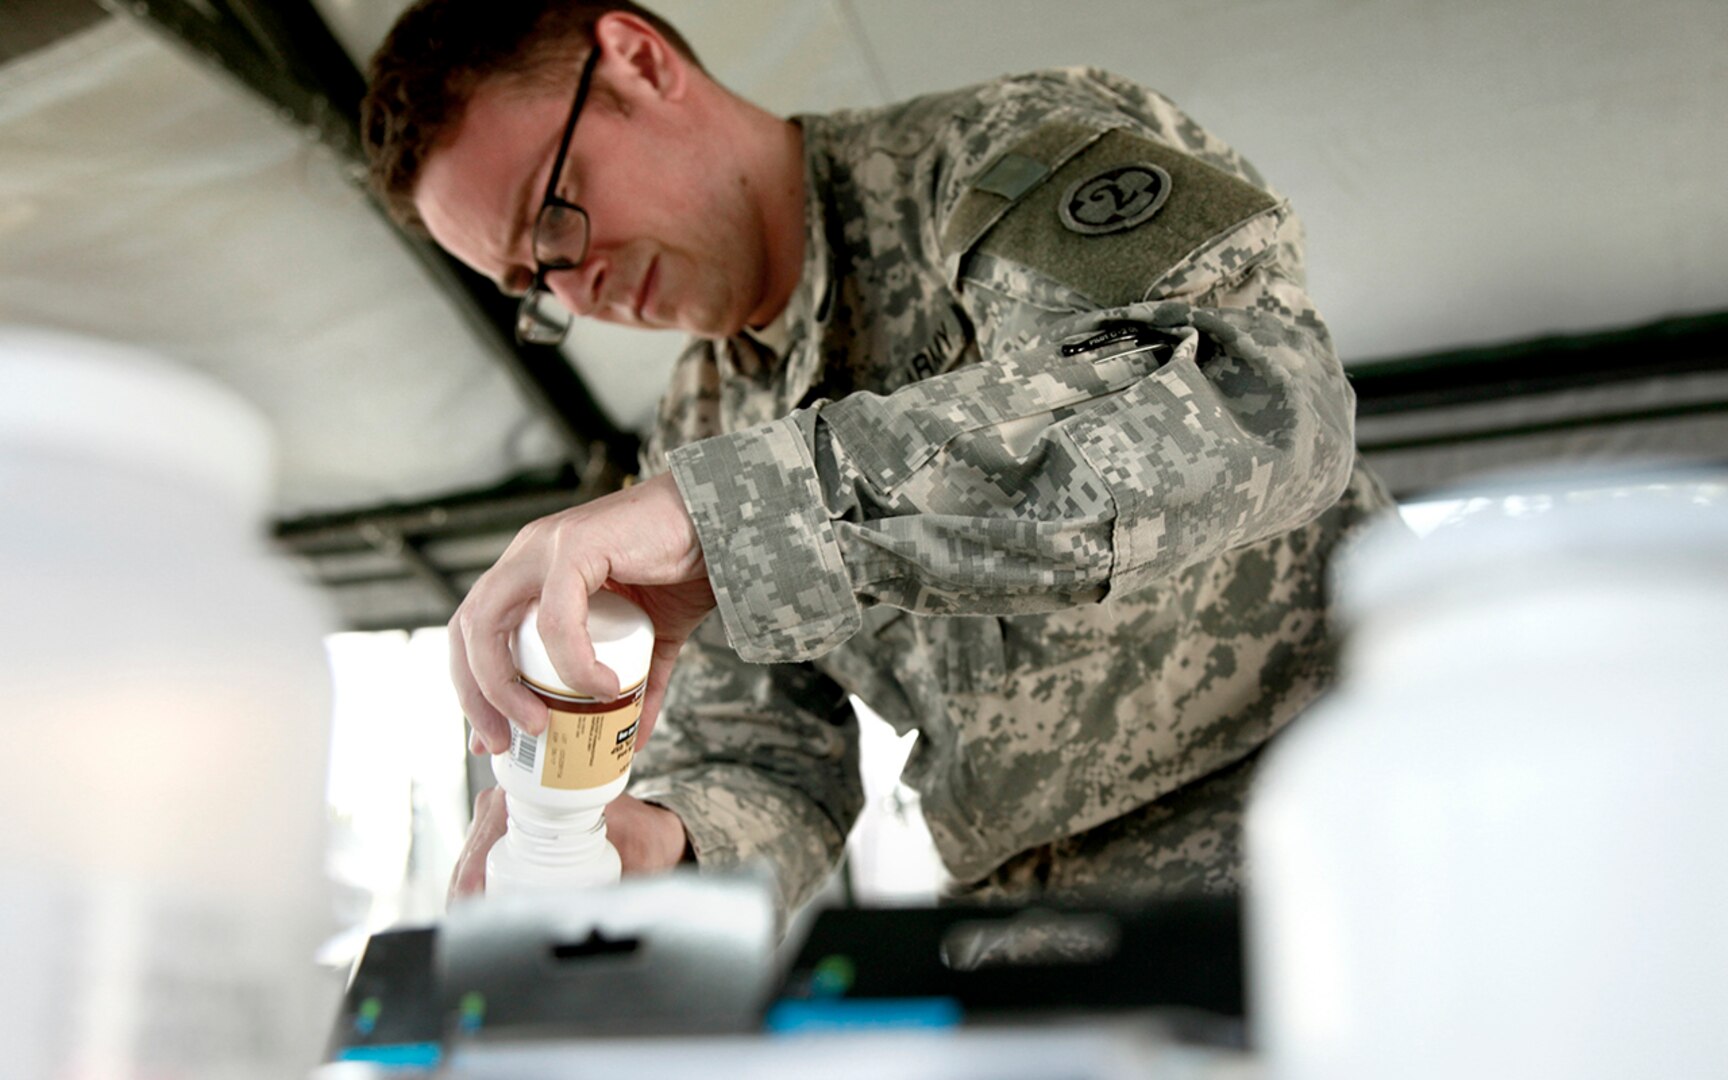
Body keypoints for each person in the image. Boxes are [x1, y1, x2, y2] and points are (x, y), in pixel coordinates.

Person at [361, 1, 1396, 921]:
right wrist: (662, 838)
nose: (575, 291)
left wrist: (734, 518)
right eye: (531, 285)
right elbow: (768, 761)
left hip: (1320, 859)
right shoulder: (697, 429)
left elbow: (1250, 403)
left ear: (636, 59)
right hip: (1030, 937)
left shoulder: (996, 161)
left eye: (554, 217)